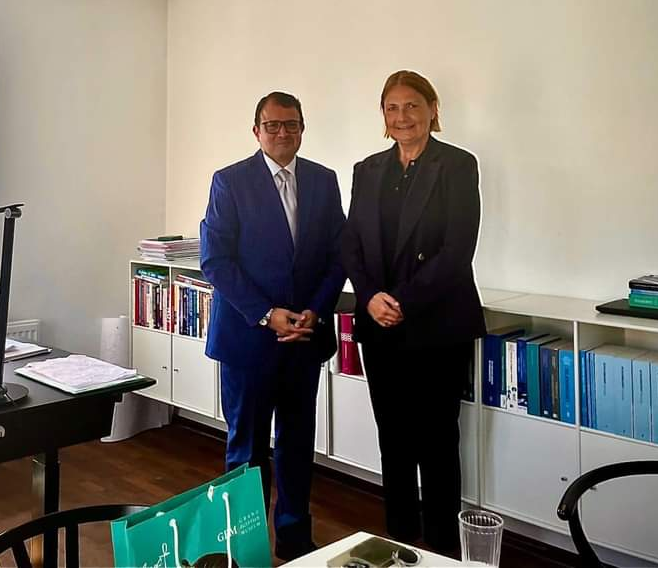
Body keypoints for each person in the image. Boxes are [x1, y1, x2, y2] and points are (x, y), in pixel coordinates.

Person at [340, 70, 486, 556]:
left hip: (437, 324)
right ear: (383, 115)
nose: (402, 117)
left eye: (412, 106)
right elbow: (351, 243)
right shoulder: (367, 169)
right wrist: (369, 296)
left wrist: (401, 301)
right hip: (379, 325)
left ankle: (442, 550)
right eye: (392, 108)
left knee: (438, 441)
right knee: (394, 438)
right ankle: (398, 539)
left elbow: (457, 250)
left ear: (432, 110)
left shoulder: (457, 165)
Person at [200, 91, 346, 560]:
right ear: (256, 130)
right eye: (273, 125)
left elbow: (338, 255)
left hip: (304, 339)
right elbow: (215, 261)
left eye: (292, 124)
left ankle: (295, 540)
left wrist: (315, 311)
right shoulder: (229, 182)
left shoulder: (324, 181)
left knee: (297, 446)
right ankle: (243, 549)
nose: (283, 133)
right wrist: (267, 314)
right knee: (246, 451)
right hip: (248, 341)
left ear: (302, 128)